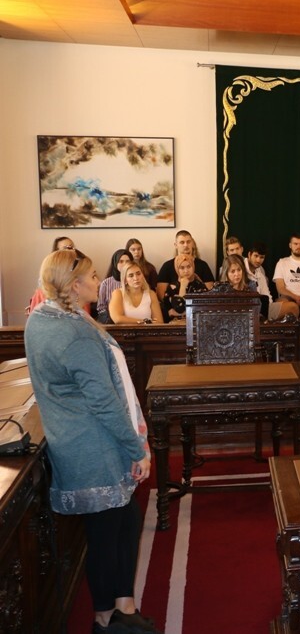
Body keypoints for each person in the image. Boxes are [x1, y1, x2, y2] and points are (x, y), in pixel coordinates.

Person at [24, 249, 161, 634]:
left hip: (72, 436)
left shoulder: (43, 317)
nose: (100, 281)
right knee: (105, 532)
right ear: (73, 285)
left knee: (125, 518)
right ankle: (105, 620)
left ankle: (124, 608)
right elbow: (103, 401)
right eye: (93, 275)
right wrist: (136, 448)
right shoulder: (76, 333)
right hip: (95, 444)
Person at [245, 241, 297, 321]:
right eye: (256, 256)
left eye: (261, 257)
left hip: (262, 308)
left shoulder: (260, 274)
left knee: (293, 307)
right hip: (245, 309)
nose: (258, 260)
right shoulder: (240, 268)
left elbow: (267, 296)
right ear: (249, 254)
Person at [156, 230, 215, 299]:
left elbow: (210, 293)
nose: (186, 245)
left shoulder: (203, 265)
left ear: (192, 243)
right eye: (182, 242)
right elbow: (161, 296)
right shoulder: (167, 266)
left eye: (188, 242)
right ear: (176, 245)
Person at [27, 236, 77, 314]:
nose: (70, 251)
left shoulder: (82, 270)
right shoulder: (47, 275)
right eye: (65, 248)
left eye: (71, 247)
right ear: (56, 253)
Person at [161, 254, 207, 321]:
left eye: (189, 267)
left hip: (196, 322)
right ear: (177, 269)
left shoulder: (200, 286)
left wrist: (179, 313)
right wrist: (182, 287)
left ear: (193, 267)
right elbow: (179, 308)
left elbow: (202, 309)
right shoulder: (172, 287)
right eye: (182, 268)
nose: (186, 271)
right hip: (176, 324)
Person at [97, 249, 133, 323]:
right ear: (115, 263)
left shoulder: (135, 281)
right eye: (121, 261)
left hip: (133, 319)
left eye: (127, 261)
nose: (125, 264)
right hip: (112, 321)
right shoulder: (106, 283)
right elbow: (101, 307)